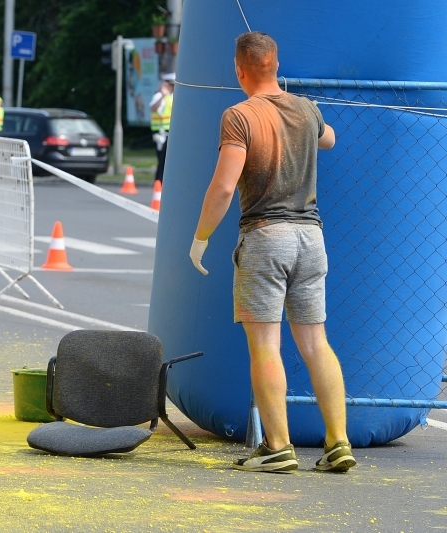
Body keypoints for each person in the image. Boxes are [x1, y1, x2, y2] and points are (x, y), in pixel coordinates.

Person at [188, 32, 356, 473]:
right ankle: (339, 441)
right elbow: (330, 140)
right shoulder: (306, 109)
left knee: (265, 345)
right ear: (276, 66)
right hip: (311, 238)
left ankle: (278, 446)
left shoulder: (238, 116)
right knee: (316, 343)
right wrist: (298, 111)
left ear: (240, 70)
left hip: (265, 237)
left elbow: (225, 186)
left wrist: (201, 235)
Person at [149, 73, 174, 183]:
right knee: (162, 161)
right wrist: (162, 95)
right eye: (171, 85)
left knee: (167, 162)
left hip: (170, 134)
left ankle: (162, 184)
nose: (173, 88)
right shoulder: (159, 96)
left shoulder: (172, 96)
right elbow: (153, 108)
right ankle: (158, 184)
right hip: (161, 134)